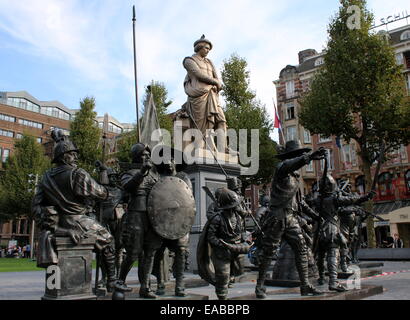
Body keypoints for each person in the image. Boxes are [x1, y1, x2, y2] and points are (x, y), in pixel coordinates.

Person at [32, 129, 120, 292]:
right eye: (73, 154)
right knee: (108, 240)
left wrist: (54, 226)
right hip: (79, 221)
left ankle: (55, 288)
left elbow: (36, 207)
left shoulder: (46, 177)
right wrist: (107, 185)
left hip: (58, 224)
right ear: (65, 156)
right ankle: (112, 281)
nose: (76, 157)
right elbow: (101, 193)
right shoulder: (77, 174)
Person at [254, 140, 326, 298]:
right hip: (277, 217)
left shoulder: (295, 176)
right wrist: (309, 157)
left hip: (291, 217)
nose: (302, 157)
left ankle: (305, 285)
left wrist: (316, 216)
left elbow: (300, 202)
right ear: (293, 156)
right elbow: (291, 164)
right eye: (300, 155)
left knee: (301, 249)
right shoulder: (282, 168)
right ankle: (260, 286)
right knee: (268, 252)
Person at [314, 170, 375, 292]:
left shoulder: (317, 200)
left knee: (320, 256)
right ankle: (333, 282)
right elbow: (352, 200)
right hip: (332, 229)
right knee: (333, 255)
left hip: (320, 230)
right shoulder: (335, 199)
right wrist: (366, 197)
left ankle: (321, 277)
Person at [118, 143, 160, 298]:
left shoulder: (154, 175)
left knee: (150, 253)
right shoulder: (129, 173)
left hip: (152, 217)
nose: (147, 156)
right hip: (136, 215)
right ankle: (120, 281)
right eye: (144, 154)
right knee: (133, 252)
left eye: (148, 154)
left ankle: (145, 286)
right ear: (136, 156)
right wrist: (141, 172)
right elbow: (128, 187)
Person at [182, 35, 228, 153]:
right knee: (204, 126)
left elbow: (216, 77)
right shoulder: (189, 61)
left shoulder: (209, 62)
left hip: (212, 95)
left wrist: (218, 84)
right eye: (206, 48)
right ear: (199, 47)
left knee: (221, 120)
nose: (208, 51)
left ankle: (223, 148)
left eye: (209, 49)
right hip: (198, 96)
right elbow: (197, 74)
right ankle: (203, 147)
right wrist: (215, 82)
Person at [206, 188, 251, 300]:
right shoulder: (217, 218)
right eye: (235, 205)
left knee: (236, 273)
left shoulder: (238, 217)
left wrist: (245, 241)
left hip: (236, 251)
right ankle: (222, 297)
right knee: (223, 277)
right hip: (222, 252)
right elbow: (211, 237)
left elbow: (239, 234)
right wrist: (223, 245)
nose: (237, 207)